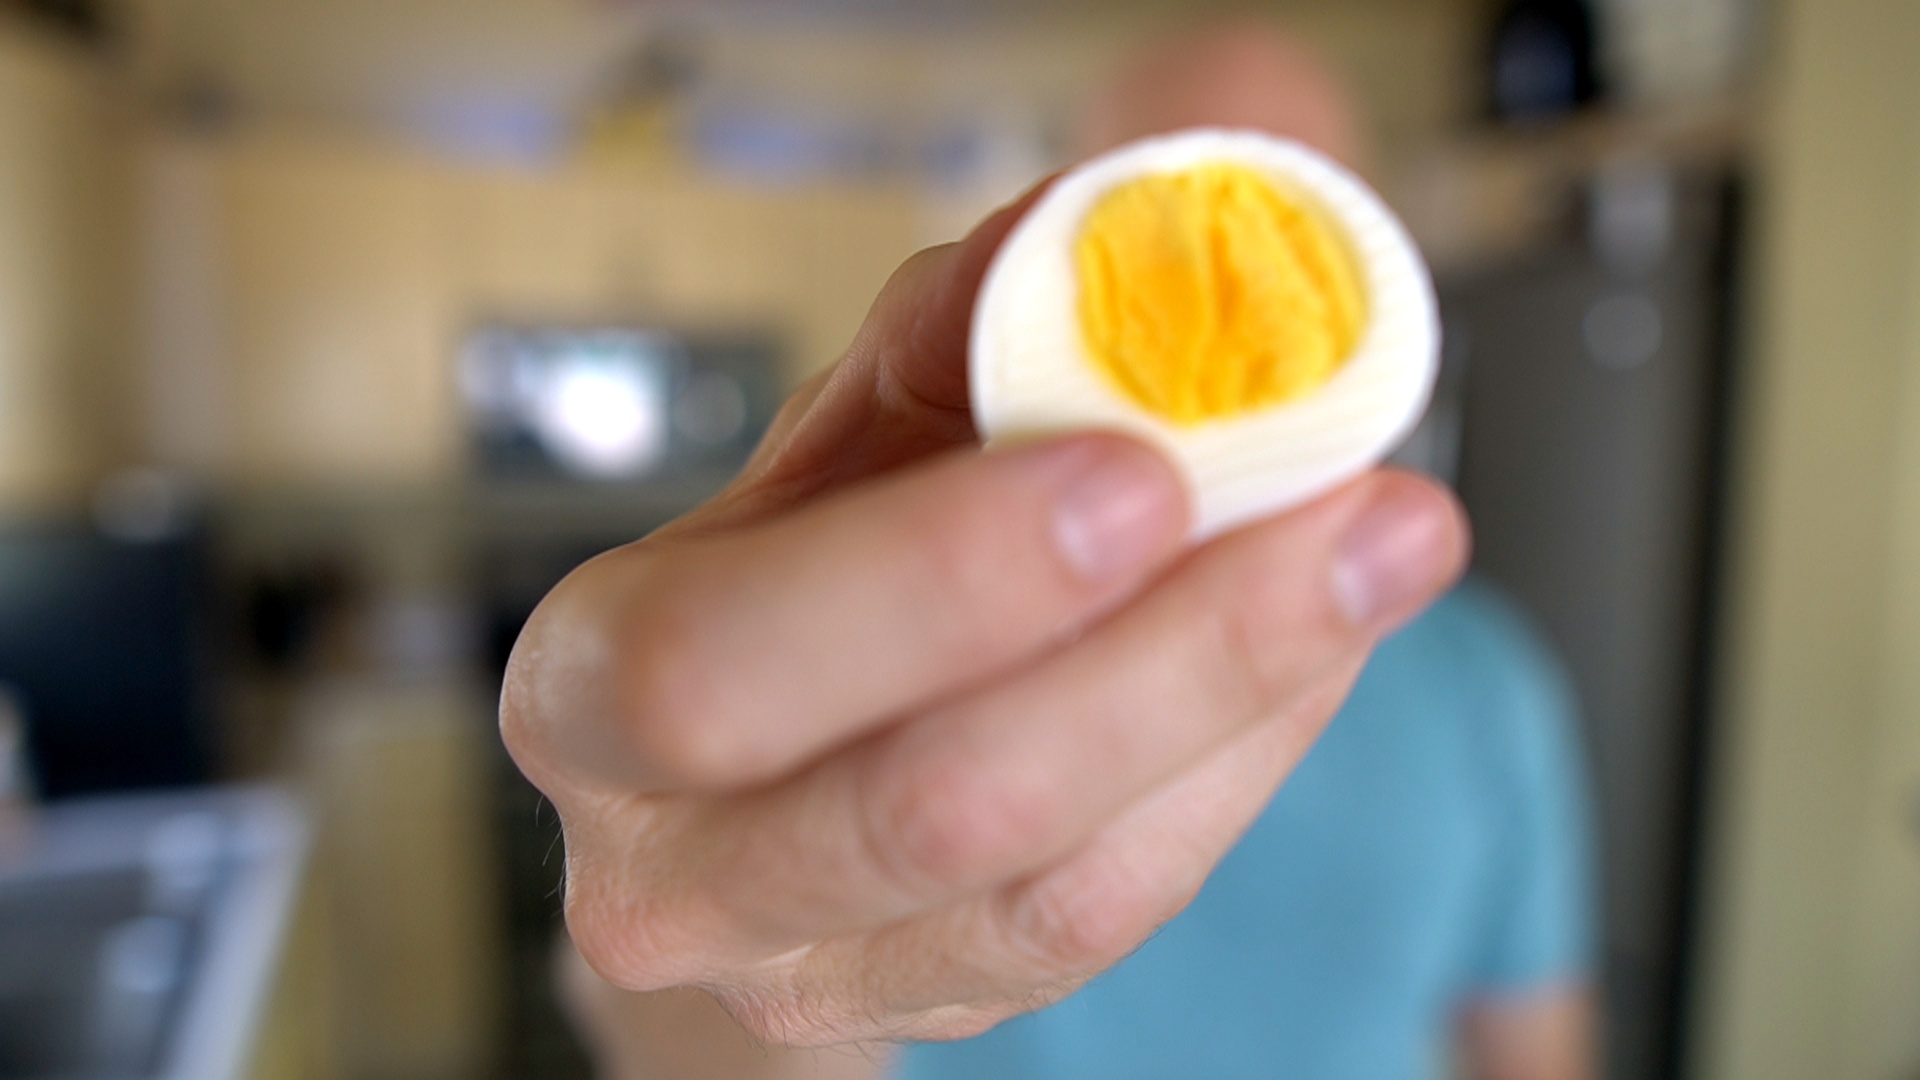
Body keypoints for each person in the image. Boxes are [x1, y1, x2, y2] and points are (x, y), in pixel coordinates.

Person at [513, 20, 1595, 1080]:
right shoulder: (907, 645)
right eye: (1156, 220)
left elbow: (1535, 1055)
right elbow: (667, 1035)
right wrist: (705, 939)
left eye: (1300, 213)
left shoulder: (1488, 688)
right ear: (1049, 233)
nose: (1225, 270)